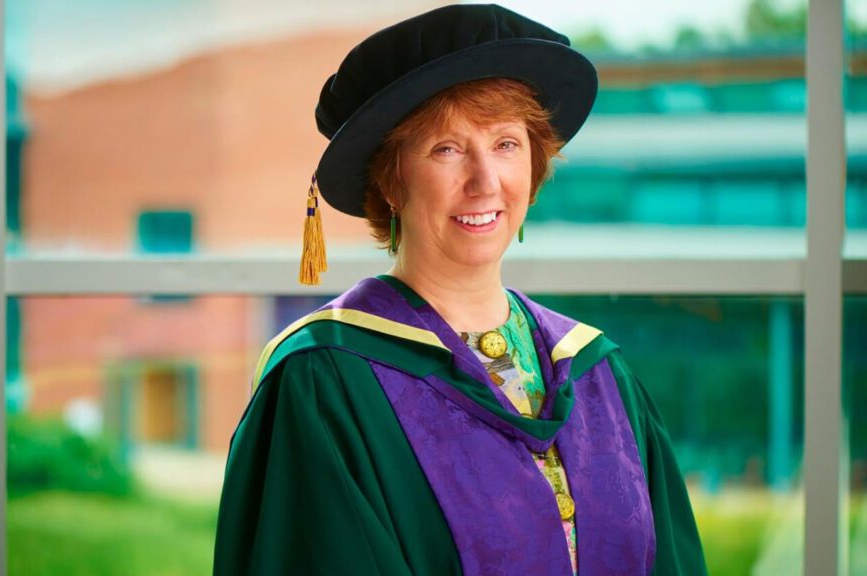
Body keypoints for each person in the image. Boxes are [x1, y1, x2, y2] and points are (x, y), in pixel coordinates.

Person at [214, 5, 707, 575]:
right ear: (391, 181)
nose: (485, 181)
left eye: (506, 145)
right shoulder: (326, 380)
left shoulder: (598, 373)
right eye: (446, 149)